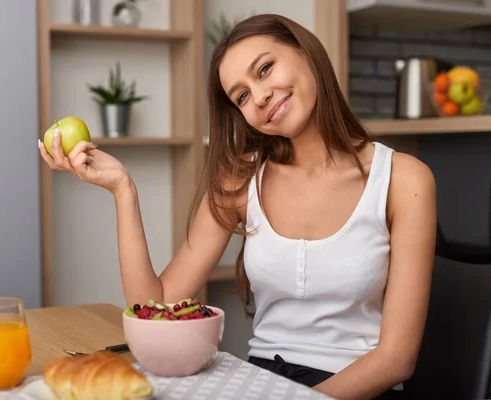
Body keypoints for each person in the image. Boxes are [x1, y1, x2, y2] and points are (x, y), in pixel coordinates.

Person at [38, 13, 437, 400]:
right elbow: (153, 307)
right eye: (242, 96)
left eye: (264, 69)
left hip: (358, 389)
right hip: (258, 378)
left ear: (305, 52)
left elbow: (396, 359)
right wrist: (123, 189)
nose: (260, 96)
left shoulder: (404, 180)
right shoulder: (240, 181)